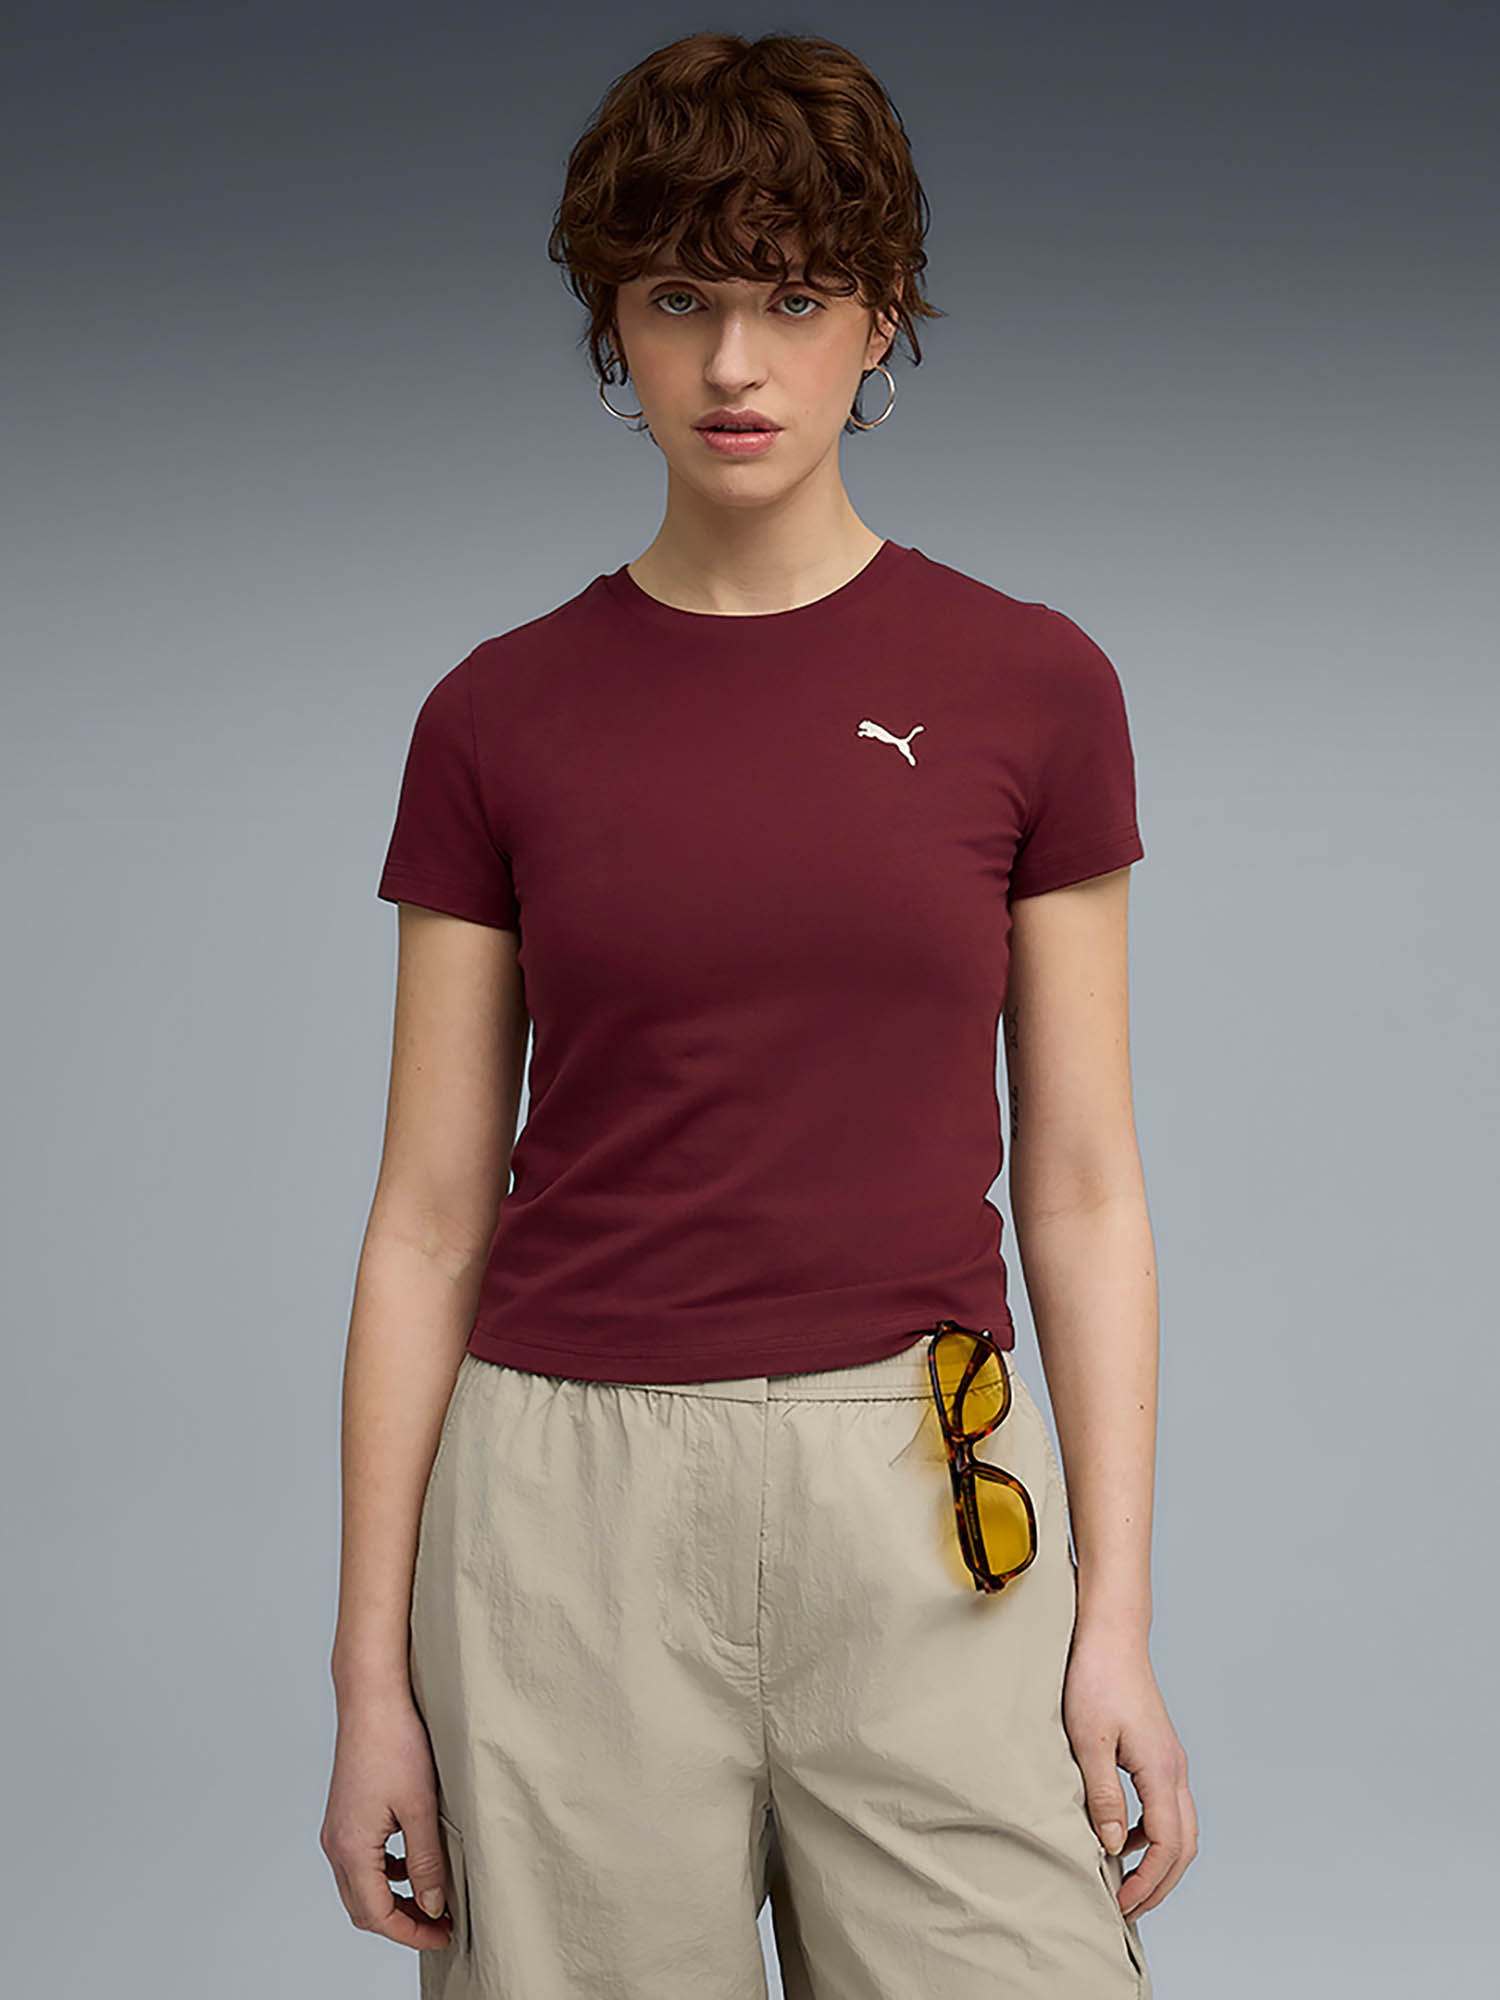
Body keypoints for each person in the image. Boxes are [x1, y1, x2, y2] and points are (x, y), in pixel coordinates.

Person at [321, 28, 1196, 1998]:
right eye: (678, 298)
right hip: (563, 1511)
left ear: (879, 320)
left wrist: (1117, 1621)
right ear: (612, 323)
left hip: (929, 1483)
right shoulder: (495, 717)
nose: (734, 364)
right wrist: (372, 1679)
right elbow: (429, 1221)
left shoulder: (1033, 687)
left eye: (794, 299)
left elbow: (1083, 1186)